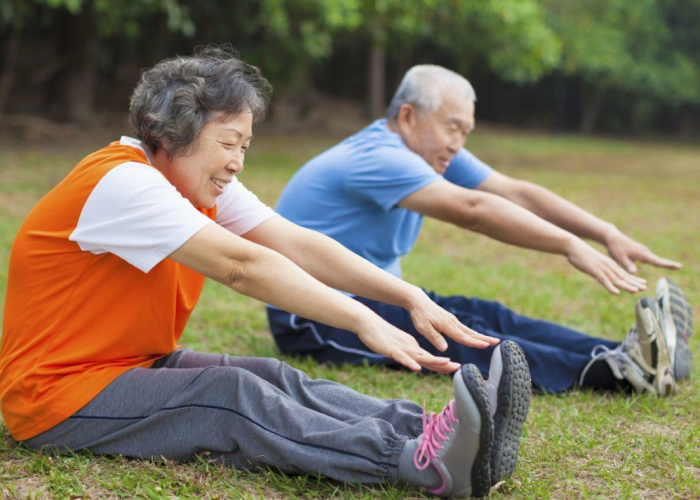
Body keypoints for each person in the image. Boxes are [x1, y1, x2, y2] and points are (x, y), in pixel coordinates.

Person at [0, 47, 533, 498]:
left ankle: (439, 432)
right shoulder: (122, 183)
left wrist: (406, 295)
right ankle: (421, 462)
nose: (237, 162)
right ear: (174, 132)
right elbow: (241, 265)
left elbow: (296, 243)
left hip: (125, 364)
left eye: (245, 147)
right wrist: (360, 319)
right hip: (54, 398)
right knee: (230, 395)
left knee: (271, 376)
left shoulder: (197, 183)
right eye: (228, 143)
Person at [268, 64, 694, 396]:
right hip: (312, 316)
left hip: (375, 294)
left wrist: (605, 232)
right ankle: (614, 372)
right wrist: (567, 244)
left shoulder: (429, 151)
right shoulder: (379, 157)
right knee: (462, 335)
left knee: (488, 316)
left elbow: (515, 192)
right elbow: (473, 209)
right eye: (452, 126)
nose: (458, 142)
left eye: (466, 132)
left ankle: (630, 353)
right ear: (408, 115)